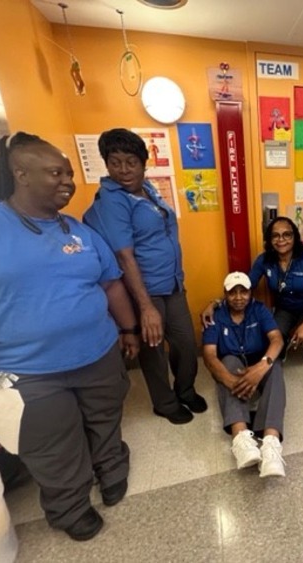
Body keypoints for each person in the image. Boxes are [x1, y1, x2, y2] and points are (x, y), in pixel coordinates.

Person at [0, 133, 139, 541]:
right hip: (28, 373)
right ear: (20, 173)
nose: (68, 182)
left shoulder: (79, 231)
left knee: (105, 419)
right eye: (56, 173)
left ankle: (111, 471)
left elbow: (111, 286)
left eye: (70, 174)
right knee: (53, 443)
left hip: (99, 354)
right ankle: (71, 508)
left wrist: (128, 330)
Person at [84, 128, 206, 425]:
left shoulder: (147, 190)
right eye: (115, 162)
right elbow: (124, 255)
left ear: (144, 163)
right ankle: (164, 403)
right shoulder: (112, 201)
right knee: (154, 350)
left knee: (186, 343)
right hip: (146, 289)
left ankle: (185, 389)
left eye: (131, 162)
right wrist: (145, 307)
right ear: (106, 163)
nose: (123, 170)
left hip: (173, 282)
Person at [200, 217, 303, 367]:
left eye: (287, 234)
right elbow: (244, 286)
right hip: (285, 308)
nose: (281, 240)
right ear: (270, 239)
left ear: (294, 237)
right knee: (276, 333)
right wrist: (214, 303)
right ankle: (280, 354)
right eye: (275, 235)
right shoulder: (264, 260)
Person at [202, 272, 287, 478]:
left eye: (243, 292)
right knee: (227, 363)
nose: (238, 297)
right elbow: (209, 355)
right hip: (233, 365)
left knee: (274, 367)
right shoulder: (215, 316)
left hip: (258, 360)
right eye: (233, 292)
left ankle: (270, 445)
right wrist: (231, 381)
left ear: (250, 293)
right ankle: (241, 439)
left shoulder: (259, 310)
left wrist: (262, 366)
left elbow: (277, 339)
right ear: (225, 294)